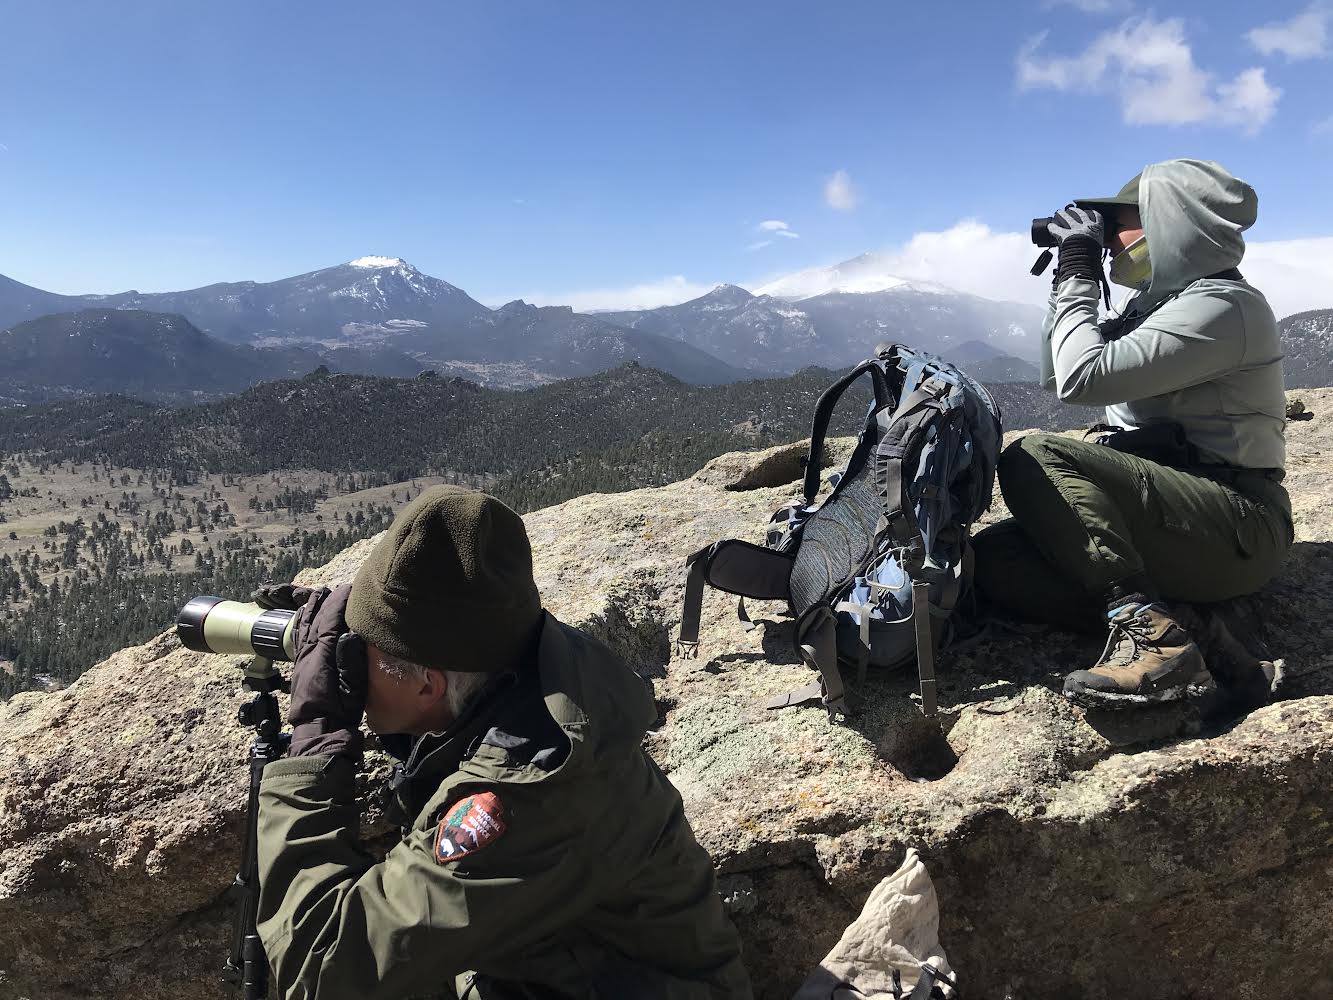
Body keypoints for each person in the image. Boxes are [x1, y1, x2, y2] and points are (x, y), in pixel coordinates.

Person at [254, 485, 752, 999]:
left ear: (428, 685)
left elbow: (322, 967)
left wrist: (316, 737)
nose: (346, 665)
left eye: (361, 653)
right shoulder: (526, 667)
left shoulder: (529, 787)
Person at [973, 159, 1292, 710]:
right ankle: (1202, 634)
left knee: (1034, 455)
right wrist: (1069, 279)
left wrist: (1078, 269)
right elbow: (1055, 371)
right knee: (993, 560)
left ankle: (1156, 639)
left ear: (1170, 223)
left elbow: (1081, 378)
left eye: (1117, 223)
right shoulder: (1159, 304)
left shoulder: (1223, 307)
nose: (1108, 239)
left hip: (1238, 521)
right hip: (1180, 519)